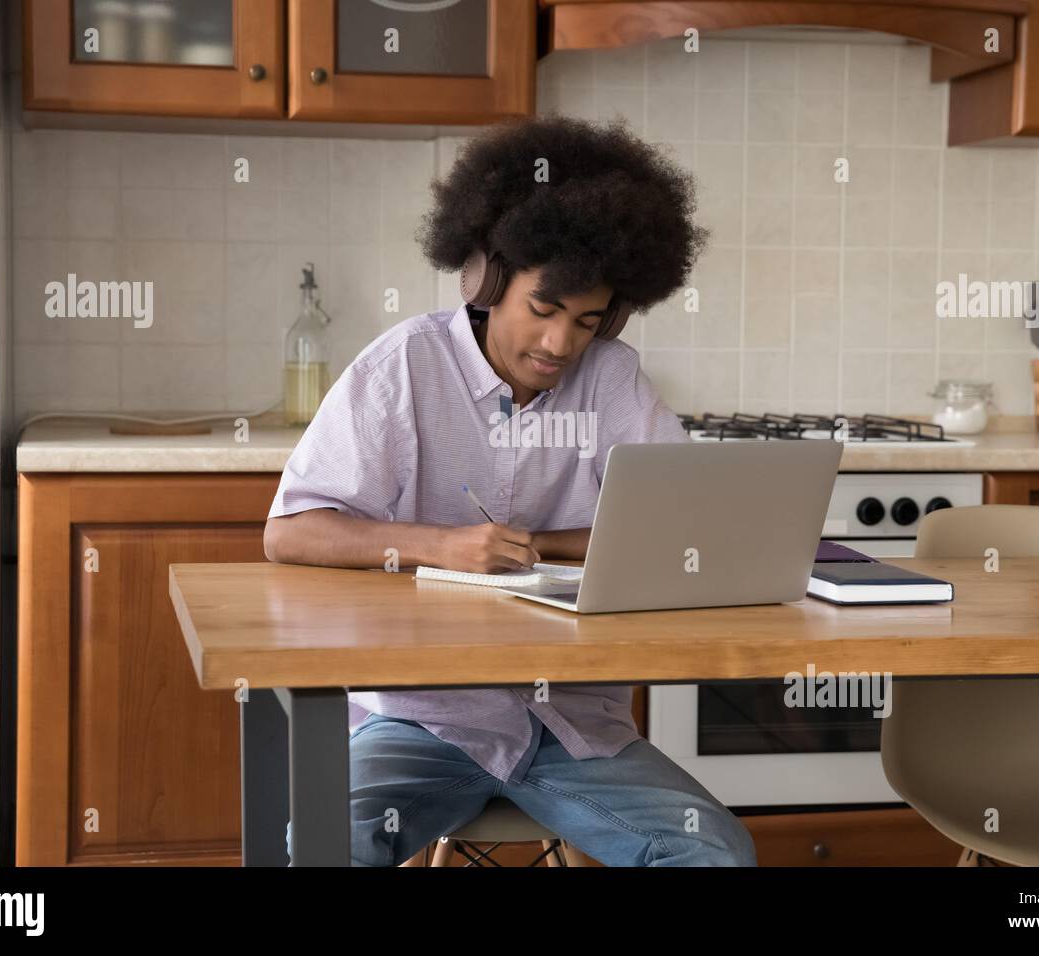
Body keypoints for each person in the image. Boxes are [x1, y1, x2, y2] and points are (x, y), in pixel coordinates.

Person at [265, 114, 756, 867]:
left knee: (712, 853)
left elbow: (681, 532)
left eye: (589, 321)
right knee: (322, 848)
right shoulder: (402, 366)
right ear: (489, 280)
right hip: (421, 717)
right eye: (544, 309)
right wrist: (443, 546)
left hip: (570, 723)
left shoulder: (614, 378)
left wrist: (532, 547)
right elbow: (291, 531)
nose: (561, 345)